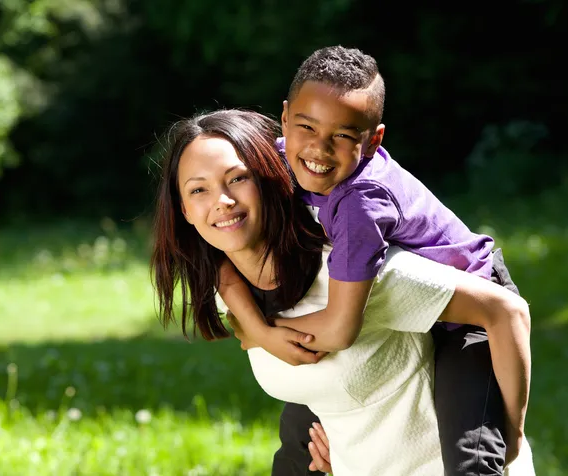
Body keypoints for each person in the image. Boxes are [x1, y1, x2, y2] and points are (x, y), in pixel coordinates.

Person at [150, 109, 534, 475]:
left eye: (237, 178)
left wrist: (511, 431)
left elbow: (505, 311)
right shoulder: (234, 281)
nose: (222, 200)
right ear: (183, 209)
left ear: (271, 178)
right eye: (198, 189)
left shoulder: (356, 271)